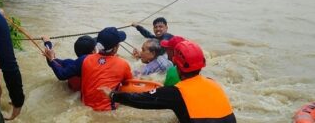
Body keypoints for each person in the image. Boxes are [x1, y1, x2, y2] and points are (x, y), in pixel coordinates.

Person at [99, 41, 236, 123]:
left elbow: (140, 100)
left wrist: (112, 95)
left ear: (176, 63)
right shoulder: (214, 83)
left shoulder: (176, 93)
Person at [81, 27, 133, 111]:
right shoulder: (123, 64)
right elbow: (128, 84)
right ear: (115, 48)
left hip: (85, 106)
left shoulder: (87, 59)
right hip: (108, 110)